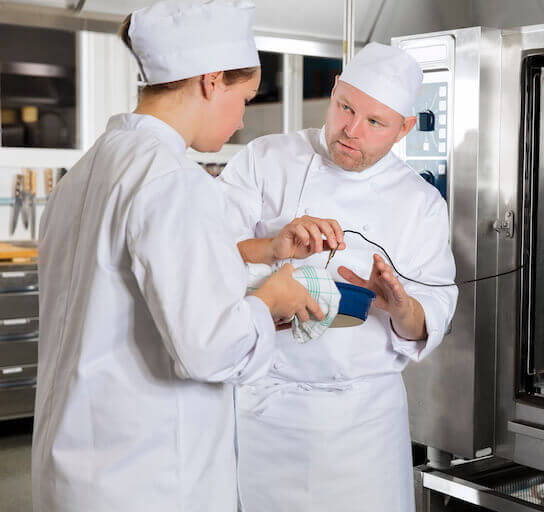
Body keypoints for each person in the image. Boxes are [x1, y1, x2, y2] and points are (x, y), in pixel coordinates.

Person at [31, 2, 335, 511]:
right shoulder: (174, 179)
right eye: (245, 97)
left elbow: (135, 284)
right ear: (212, 81)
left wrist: (263, 250)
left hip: (74, 469)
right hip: (148, 477)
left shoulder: (88, 171)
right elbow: (212, 348)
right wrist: (271, 298)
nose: (241, 119)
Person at [219, 42, 459, 511]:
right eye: (345, 107)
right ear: (333, 91)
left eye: (375, 122)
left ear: (405, 129)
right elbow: (202, 258)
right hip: (266, 412)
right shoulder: (264, 161)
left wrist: (401, 306)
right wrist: (270, 250)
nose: (351, 130)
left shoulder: (421, 204)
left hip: (363, 426)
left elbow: (432, 316)